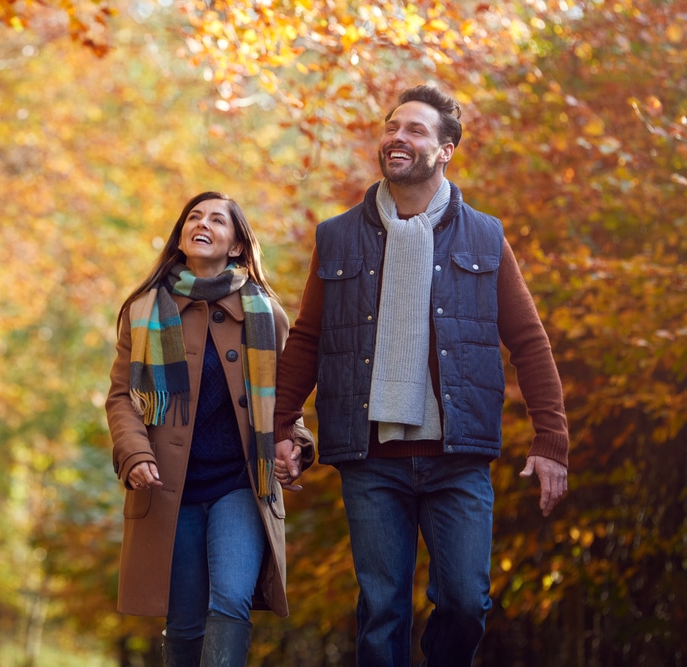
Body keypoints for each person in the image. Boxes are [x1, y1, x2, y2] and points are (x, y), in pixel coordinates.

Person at [273, 85, 570, 667]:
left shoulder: (485, 235)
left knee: (465, 603)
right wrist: (282, 424)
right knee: (382, 610)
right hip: (370, 456)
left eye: (414, 130)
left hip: (456, 456)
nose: (396, 139)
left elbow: (529, 340)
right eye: (391, 128)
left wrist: (551, 439)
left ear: (445, 150)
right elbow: (309, 337)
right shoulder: (336, 236)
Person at [106, 191, 314, 667]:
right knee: (184, 623)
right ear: (181, 236)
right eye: (194, 217)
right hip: (170, 489)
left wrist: (295, 446)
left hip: (241, 483)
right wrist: (135, 454)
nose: (202, 224)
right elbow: (122, 397)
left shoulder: (266, 315)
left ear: (237, 245)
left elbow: (285, 405)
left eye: (217, 220)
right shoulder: (143, 312)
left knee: (231, 603)